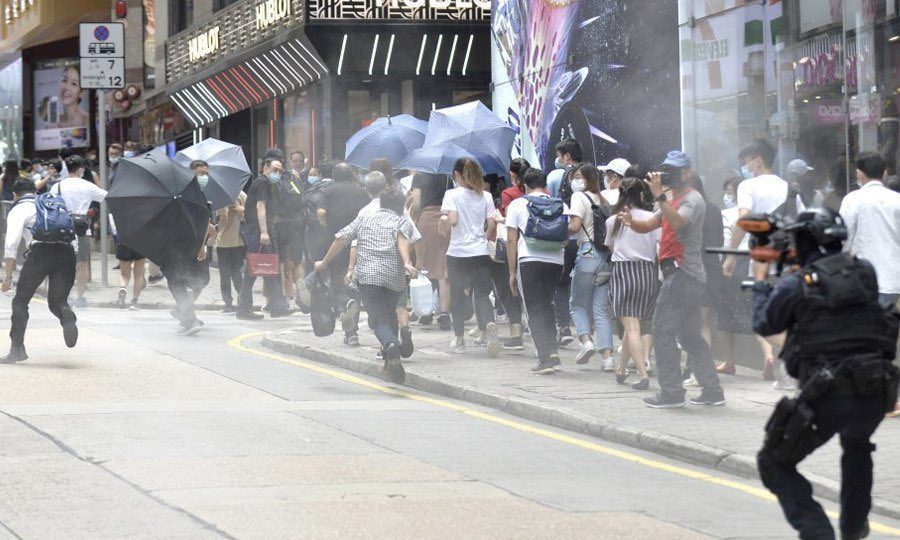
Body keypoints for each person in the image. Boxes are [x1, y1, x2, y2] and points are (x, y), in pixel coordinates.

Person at [753, 207, 898, 540]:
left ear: (805, 242)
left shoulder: (798, 283)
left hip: (830, 391)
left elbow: (765, 323)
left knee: (773, 463)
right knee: (857, 445)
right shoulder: (865, 272)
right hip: (877, 386)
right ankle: (852, 528)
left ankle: (819, 534)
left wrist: (762, 282)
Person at [624, 151, 725, 408]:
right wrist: (631, 222)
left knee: (662, 331)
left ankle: (671, 393)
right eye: (666, 169)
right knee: (690, 336)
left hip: (682, 274)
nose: (668, 175)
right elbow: (648, 225)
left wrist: (659, 197)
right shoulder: (673, 199)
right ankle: (713, 391)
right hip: (682, 275)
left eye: (674, 170)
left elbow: (679, 223)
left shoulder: (692, 199)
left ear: (687, 173)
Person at [315, 189, 418, 383]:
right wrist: (407, 263)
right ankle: (391, 363)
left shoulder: (364, 219)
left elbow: (341, 239)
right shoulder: (402, 220)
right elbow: (402, 241)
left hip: (369, 277)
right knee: (389, 316)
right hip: (394, 277)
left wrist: (324, 262)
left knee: (378, 320)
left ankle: (391, 343)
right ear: (400, 207)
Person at [722, 138, 789, 381]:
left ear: (758, 160)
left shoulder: (748, 187)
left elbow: (744, 219)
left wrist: (730, 254)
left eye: (747, 162)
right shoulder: (786, 186)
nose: (746, 166)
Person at [1, 179, 78, 362]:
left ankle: (17, 350)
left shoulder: (19, 209)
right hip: (67, 252)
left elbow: (11, 244)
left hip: (40, 254)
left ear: (15, 195)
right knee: (57, 302)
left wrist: (8, 277)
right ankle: (66, 316)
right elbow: (72, 238)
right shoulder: (52, 205)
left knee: (20, 301)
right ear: (34, 191)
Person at [352, 171, 421, 356]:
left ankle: (389, 345)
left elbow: (354, 244)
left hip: (370, 272)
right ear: (386, 186)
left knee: (378, 315)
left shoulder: (364, 212)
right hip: (397, 270)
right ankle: (397, 338)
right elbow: (411, 238)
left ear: (367, 189)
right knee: (395, 307)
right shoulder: (399, 210)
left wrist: (351, 269)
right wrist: (409, 261)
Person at [506, 168, 567, 373]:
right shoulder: (560, 203)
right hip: (556, 260)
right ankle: (553, 351)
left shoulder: (517, 204)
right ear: (546, 186)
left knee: (533, 308)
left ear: (524, 186)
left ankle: (544, 358)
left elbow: (512, 240)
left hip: (529, 260)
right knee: (547, 304)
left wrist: (512, 272)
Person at [441, 157, 500, 356]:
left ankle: (459, 340)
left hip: (458, 253)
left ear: (457, 175)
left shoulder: (452, 194)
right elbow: (492, 223)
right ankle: (489, 326)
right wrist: (483, 236)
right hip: (480, 252)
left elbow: (453, 220)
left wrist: (443, 221)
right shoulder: (485, 196)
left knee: (457, 297)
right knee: (482, 294)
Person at [605, 176, 660, 390]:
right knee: (634, 324)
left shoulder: (613, 221)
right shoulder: (652, 217)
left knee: (631, 325)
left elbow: (610, 247)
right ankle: (621, 368)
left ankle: (643, 374)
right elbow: (658, 248)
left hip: (623, 271)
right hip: (647, 272)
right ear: (642, 195)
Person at [564, 163, 615, 370]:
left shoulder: (579, 197)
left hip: (587, 250)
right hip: (605, 256)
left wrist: (559, 230)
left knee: (576, 304)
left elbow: (575, 226)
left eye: (578, 176)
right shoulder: (604, 199)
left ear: (587, 178)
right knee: (601, 309)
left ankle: (585, 342)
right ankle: (608, 358)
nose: (574, 180)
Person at [317, 162, 370, 345]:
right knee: (353, 284)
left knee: (337, 285)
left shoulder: (328, 191)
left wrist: (325, 226)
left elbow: (321, 212)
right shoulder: (362, 192)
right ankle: (352, 334)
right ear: (352, 175)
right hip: (359, 244)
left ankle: (344, 304)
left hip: (337, 243)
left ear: (334, 176)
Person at [839, 151, 900, 308]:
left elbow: (844, 236)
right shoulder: (897, 200)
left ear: (859, 173)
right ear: (884, 173)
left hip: (863, 278)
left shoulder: (853, 200)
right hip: (894, 279)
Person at [236, 157, 294, 320]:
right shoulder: (263, 183)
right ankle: (246, 309)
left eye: (280, 171)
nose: (278, 173)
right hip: (257, 230)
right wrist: (264, 232)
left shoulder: (265, 183)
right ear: (265, 168)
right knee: (254, 270)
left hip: (258, 229)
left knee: (268, 268)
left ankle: (276, 306)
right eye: (275, 169)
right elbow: (260, 206)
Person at [50, 155, 107, 308]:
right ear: (81, 169)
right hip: (82, 229)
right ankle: (80, 297)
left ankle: (64, 296)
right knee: (83, 264)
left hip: (62, 229)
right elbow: (106, 197)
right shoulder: (87, 186)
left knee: (63, 264)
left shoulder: (58, 186)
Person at [547, 139, 582, 347]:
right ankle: (588, 330)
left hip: (569, 237)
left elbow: (557, 206)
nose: (558, 160)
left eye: (560, 156)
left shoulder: (562, 176)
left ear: (567, 156)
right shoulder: (591, 173)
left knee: (561, 283)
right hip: (591, 241)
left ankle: (564, 327)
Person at [408, 171, 451, 330]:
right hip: (445, 219)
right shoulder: (447, 175)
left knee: (424, 266)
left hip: (426, 219)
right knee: (442, 268)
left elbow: (417, 204)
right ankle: (445, 313)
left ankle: (425, 312)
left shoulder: (419, 176)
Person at [215, 190, 247, 313]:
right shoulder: (243, 195)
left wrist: (218, 232)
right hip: (240, 241)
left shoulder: (223, 195)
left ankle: (228, 304)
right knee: (236, 272)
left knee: (224, 274)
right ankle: (242, 300)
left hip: (225, 241)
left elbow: (224, 217)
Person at [50, 65, 89, 129]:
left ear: (81, 93)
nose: (66, 87)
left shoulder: (87, 121)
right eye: (64, 80)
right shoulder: (54, 122)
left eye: (74, 83)